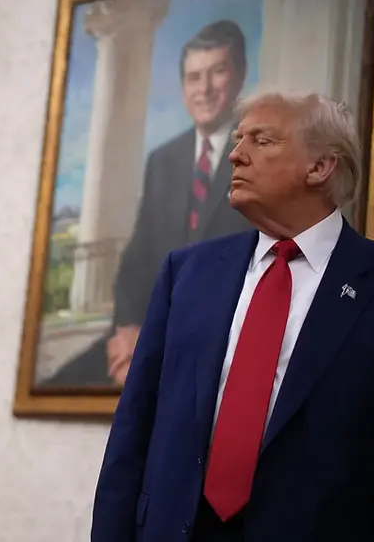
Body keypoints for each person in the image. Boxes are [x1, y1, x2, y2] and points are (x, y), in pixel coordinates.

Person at [90, 91, 374, 541]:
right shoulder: (185, 273)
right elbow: (134, 430)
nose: (235, 156)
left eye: (260, 141)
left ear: (321, 167)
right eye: (238, 139)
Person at [47, 20, 252, 387]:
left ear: (240, 76)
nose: (203, 89)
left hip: (217, 343)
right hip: (149, 333)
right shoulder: (164, 160)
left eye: (217, 72)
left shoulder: (258, 156)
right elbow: (136, 260)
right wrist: (127, 331)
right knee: (60, 383)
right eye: (193, 77)